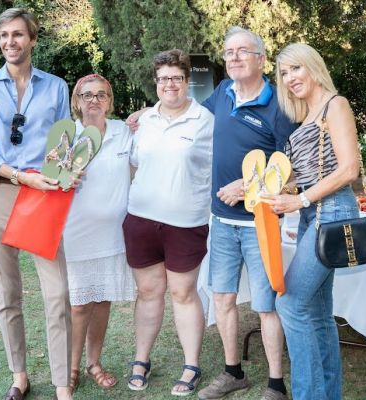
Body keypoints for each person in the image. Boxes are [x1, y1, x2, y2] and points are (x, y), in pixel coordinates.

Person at [0, 8, 74, 400]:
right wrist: (18, 175)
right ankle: (19, 376)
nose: (10, 42)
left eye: (18, 34)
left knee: (58, 293)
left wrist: (67, 171)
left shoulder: (56, 87)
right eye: (4, 36)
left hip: (42, 196)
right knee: (7, 293)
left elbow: (64, 143)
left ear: (32, 39)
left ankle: (62, 386)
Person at [196, 27, 296, 400]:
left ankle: (275, 384)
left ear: (261, 60)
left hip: (261, 223)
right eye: (229, 52)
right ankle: (233, 373)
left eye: (242, 51)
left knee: (266, 305)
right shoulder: (222, 92)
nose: (234, 57)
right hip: (221, 222)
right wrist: (148, 112)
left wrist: (247, 185)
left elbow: (291, 170)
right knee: (222, 298)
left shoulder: (279, 106)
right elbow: (189, 117)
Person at [261, 43, 361, 400]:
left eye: (295, 68)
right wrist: (277, 191)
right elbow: (304, 178)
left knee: (289, 304)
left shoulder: (336, 105)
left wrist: (300, 199)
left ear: (313, 67)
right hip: (312, 215)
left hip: (332, 212)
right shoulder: (305, 117)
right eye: (283, 73)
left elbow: (348, 170)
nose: (289, 78)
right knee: (317, 314)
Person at [124, 49, 214, 397]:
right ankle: (140, 360)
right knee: (148, 292)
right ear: (155, 82)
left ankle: (191, 365)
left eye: (176, 77)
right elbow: (134, 163)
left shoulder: (205, 120)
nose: (169, 84)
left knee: (183, 293)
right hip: (142, 221)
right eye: (163, 78)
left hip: (185, 224)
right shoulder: (144, 121)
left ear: (187, 80)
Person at [62, 73, 136, 392]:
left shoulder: (123, 132)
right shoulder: (66, 134)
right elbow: (54, 180)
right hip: (76, 233)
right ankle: (70, 368)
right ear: (77, 101)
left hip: (113, 234)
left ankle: (94, 362)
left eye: (101, 95)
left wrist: (144, 113)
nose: (94, 100)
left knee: (103, 299)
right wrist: (64, 175)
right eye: (87, 95)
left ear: (110, 101)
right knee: (79, 305)